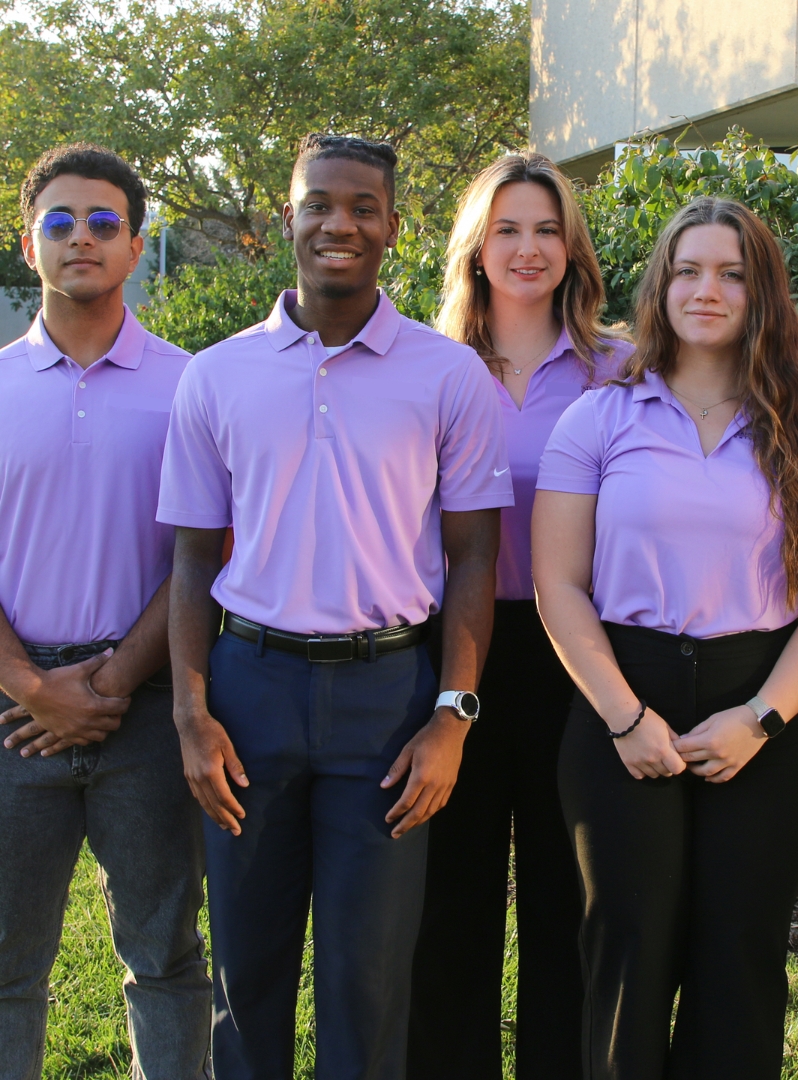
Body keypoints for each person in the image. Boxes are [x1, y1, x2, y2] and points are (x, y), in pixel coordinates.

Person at [156, 133, 513, 1079]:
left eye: (363, 206)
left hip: (389, 699)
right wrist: (192, 712)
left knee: (368, 981)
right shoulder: (216, 376)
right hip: (248, 692)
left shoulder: (448, 376)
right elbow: (192, 562)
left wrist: (453, 715)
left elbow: (474, 558)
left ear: (395, 225)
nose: (339, 223)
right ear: (289, 218)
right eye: (319, 203)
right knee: (249, 976)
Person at [532, 196, 798, 1079]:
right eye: (687, 270)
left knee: (739, 953)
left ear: (761, 293)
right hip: (622, 696)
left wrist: (760, 718)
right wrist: (623, 718)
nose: (706, 290)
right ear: (660, 285)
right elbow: (557, 586)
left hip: (759, 699)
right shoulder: (599, 420)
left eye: (730, 273)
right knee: (627, 946)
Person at [408, 152, 632, 1080]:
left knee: (565, 901)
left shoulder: (622, 368)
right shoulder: (423, 365)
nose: (528, 247)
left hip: (574, 656)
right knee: (446, 905)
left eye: (546, 228)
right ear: (476, 246)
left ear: (572, 246)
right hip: (452, 655)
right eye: (507, 228)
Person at [0, 144, 210, 1079]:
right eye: (58, 221)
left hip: (151, 712)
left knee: (164, 957)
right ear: (26, 242)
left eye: (102, 223)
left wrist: (114, 680)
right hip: (10, 712)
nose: (79, 238)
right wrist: (29, 684)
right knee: (6, 969)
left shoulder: (193, 386)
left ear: (134, 246)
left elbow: (207, 553)